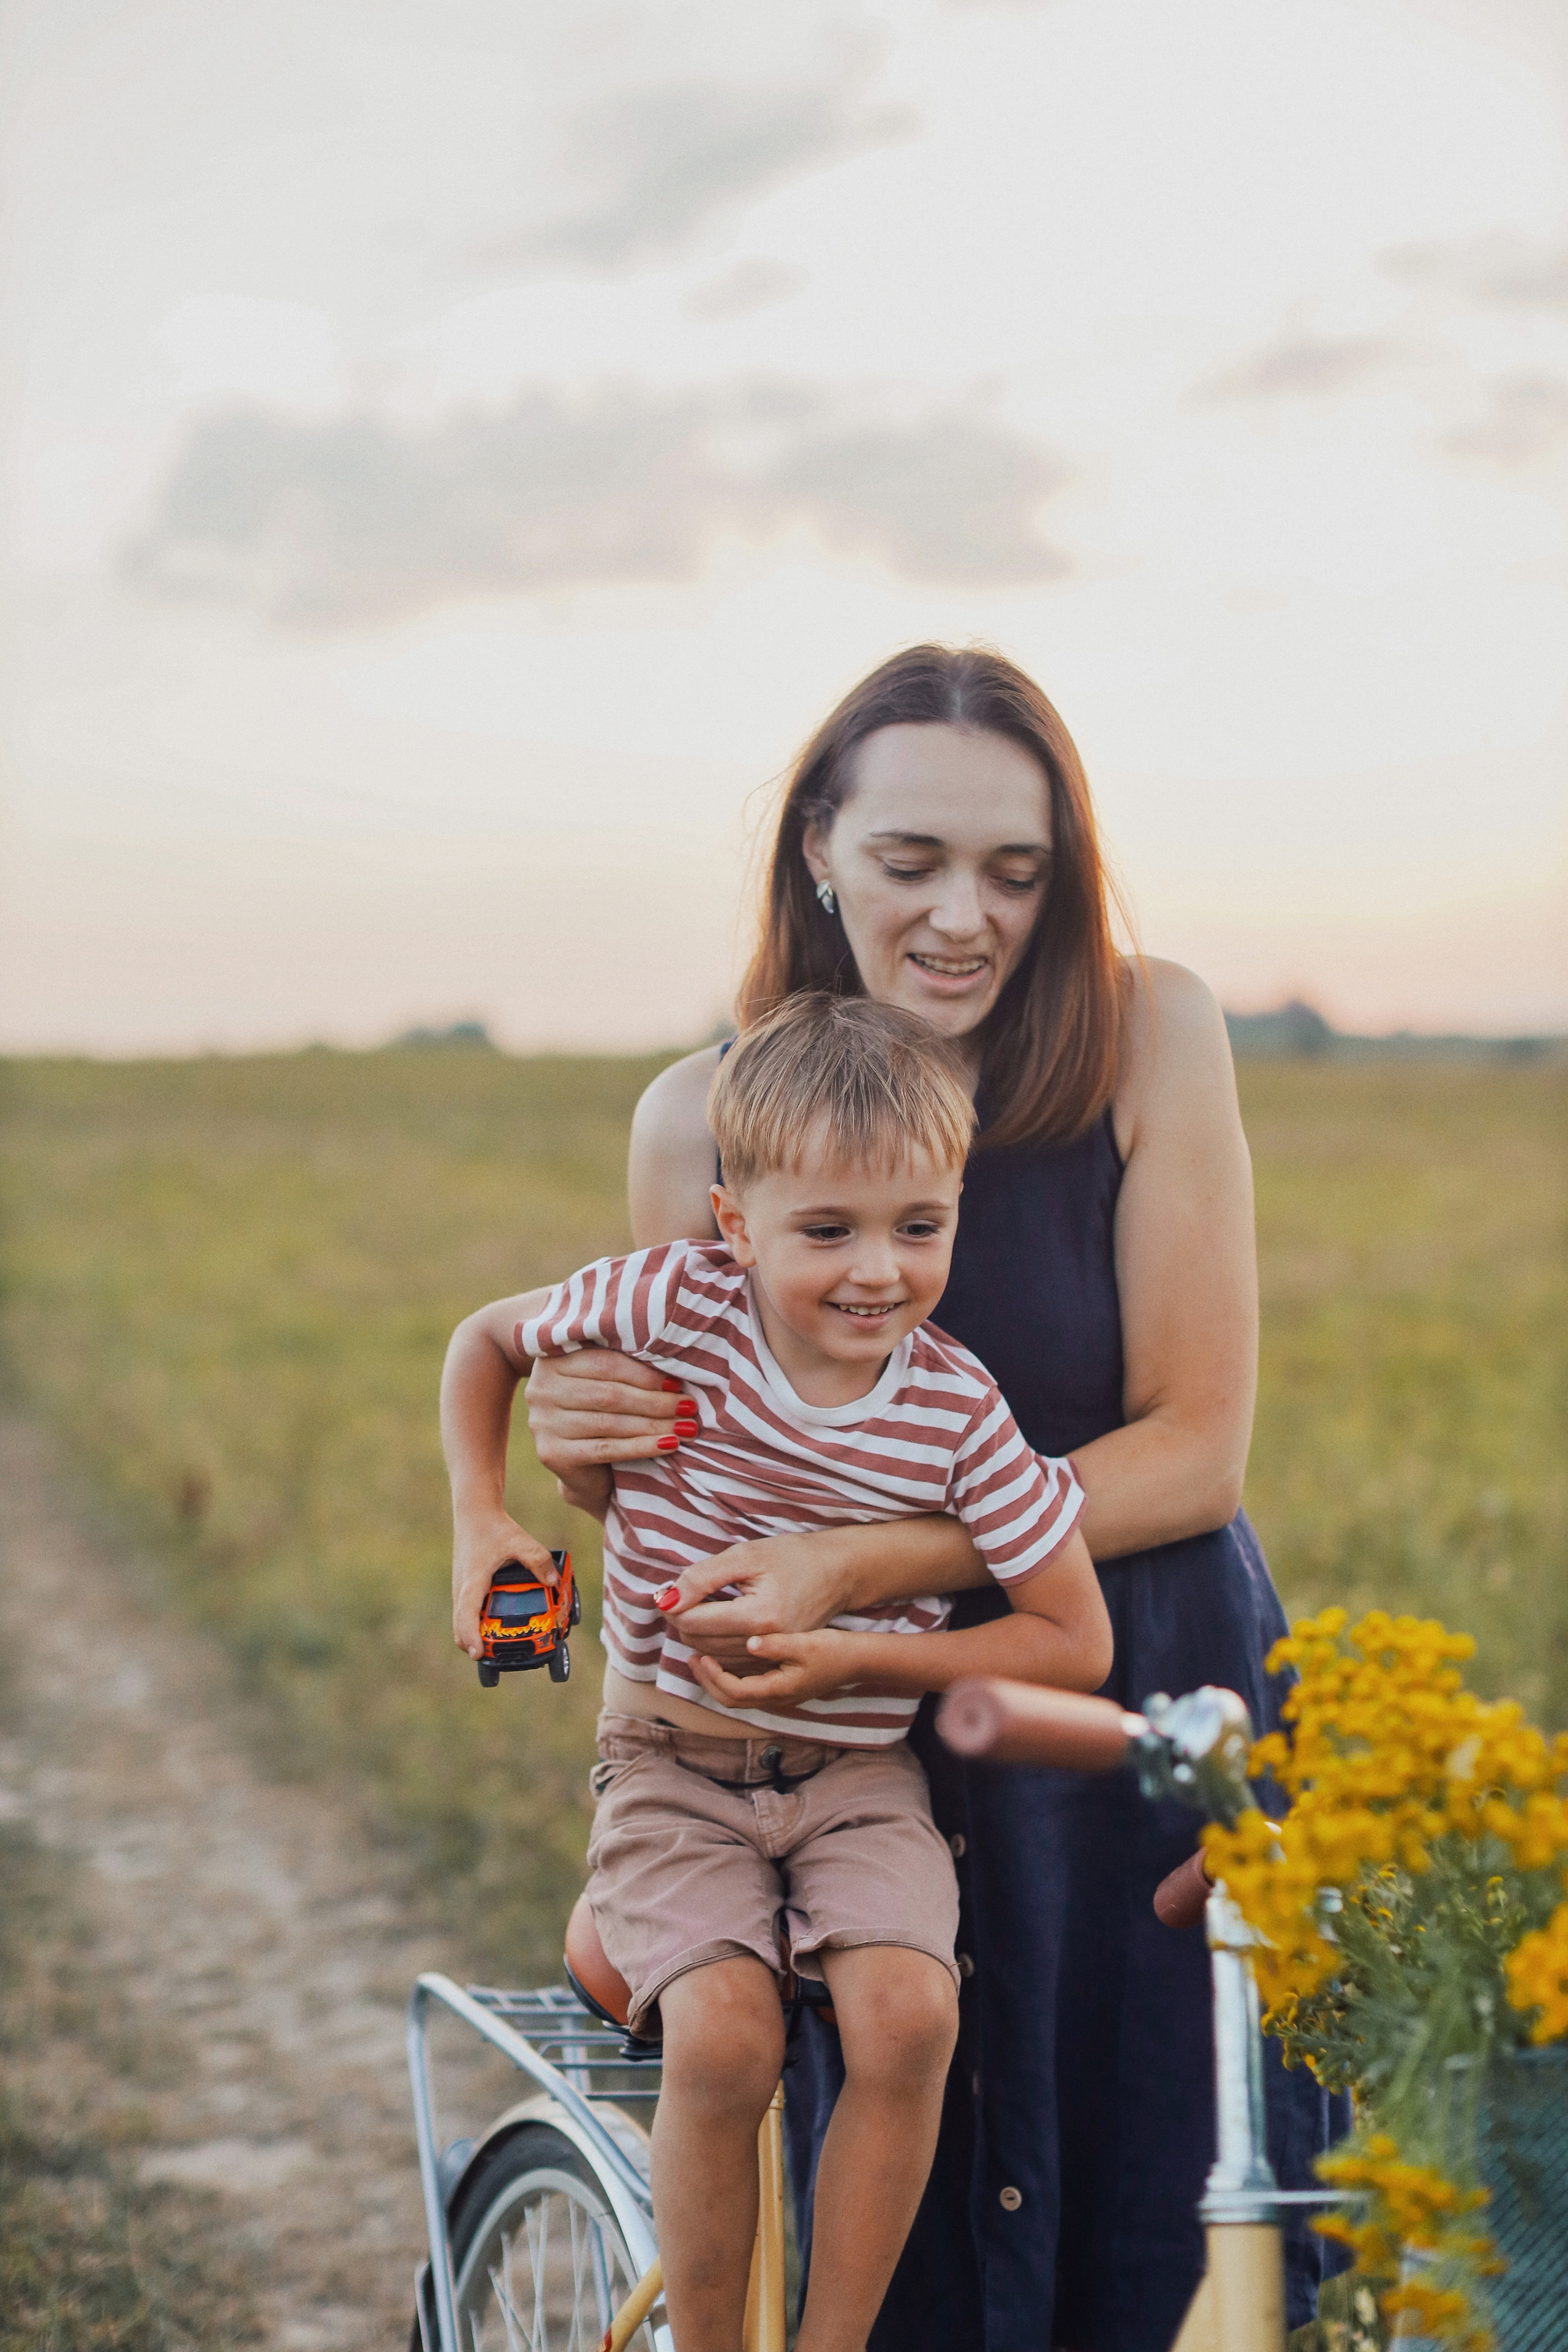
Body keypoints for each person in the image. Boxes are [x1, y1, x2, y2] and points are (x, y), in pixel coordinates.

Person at [522, 643, 1349, 2351]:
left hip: (1124, 1670)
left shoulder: (1150, 1035)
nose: (966, 914)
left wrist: (867, 1558)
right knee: (914, 2226)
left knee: (1180, 2221)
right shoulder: (695, 1120)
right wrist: (589, 1450)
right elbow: (700, 1491)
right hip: (854, 1741)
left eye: (1016, 871)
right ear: (819, 846)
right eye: (914, 862)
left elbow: (1197, 1444)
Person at [441, 991, 1112, 2352]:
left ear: (954, 1208)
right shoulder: (667, 1300)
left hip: (859, 1772)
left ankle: (832, 2342)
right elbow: (484, 1345)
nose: (877, 1272)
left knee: (911, 2012)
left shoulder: (953, 1408)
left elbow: (1072, 1640)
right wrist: (483, 1522)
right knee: (731, 2038)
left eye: (917, 1227)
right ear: (733, 1221)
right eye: (826, 1231)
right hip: (670, 1762)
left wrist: (857, 1655)